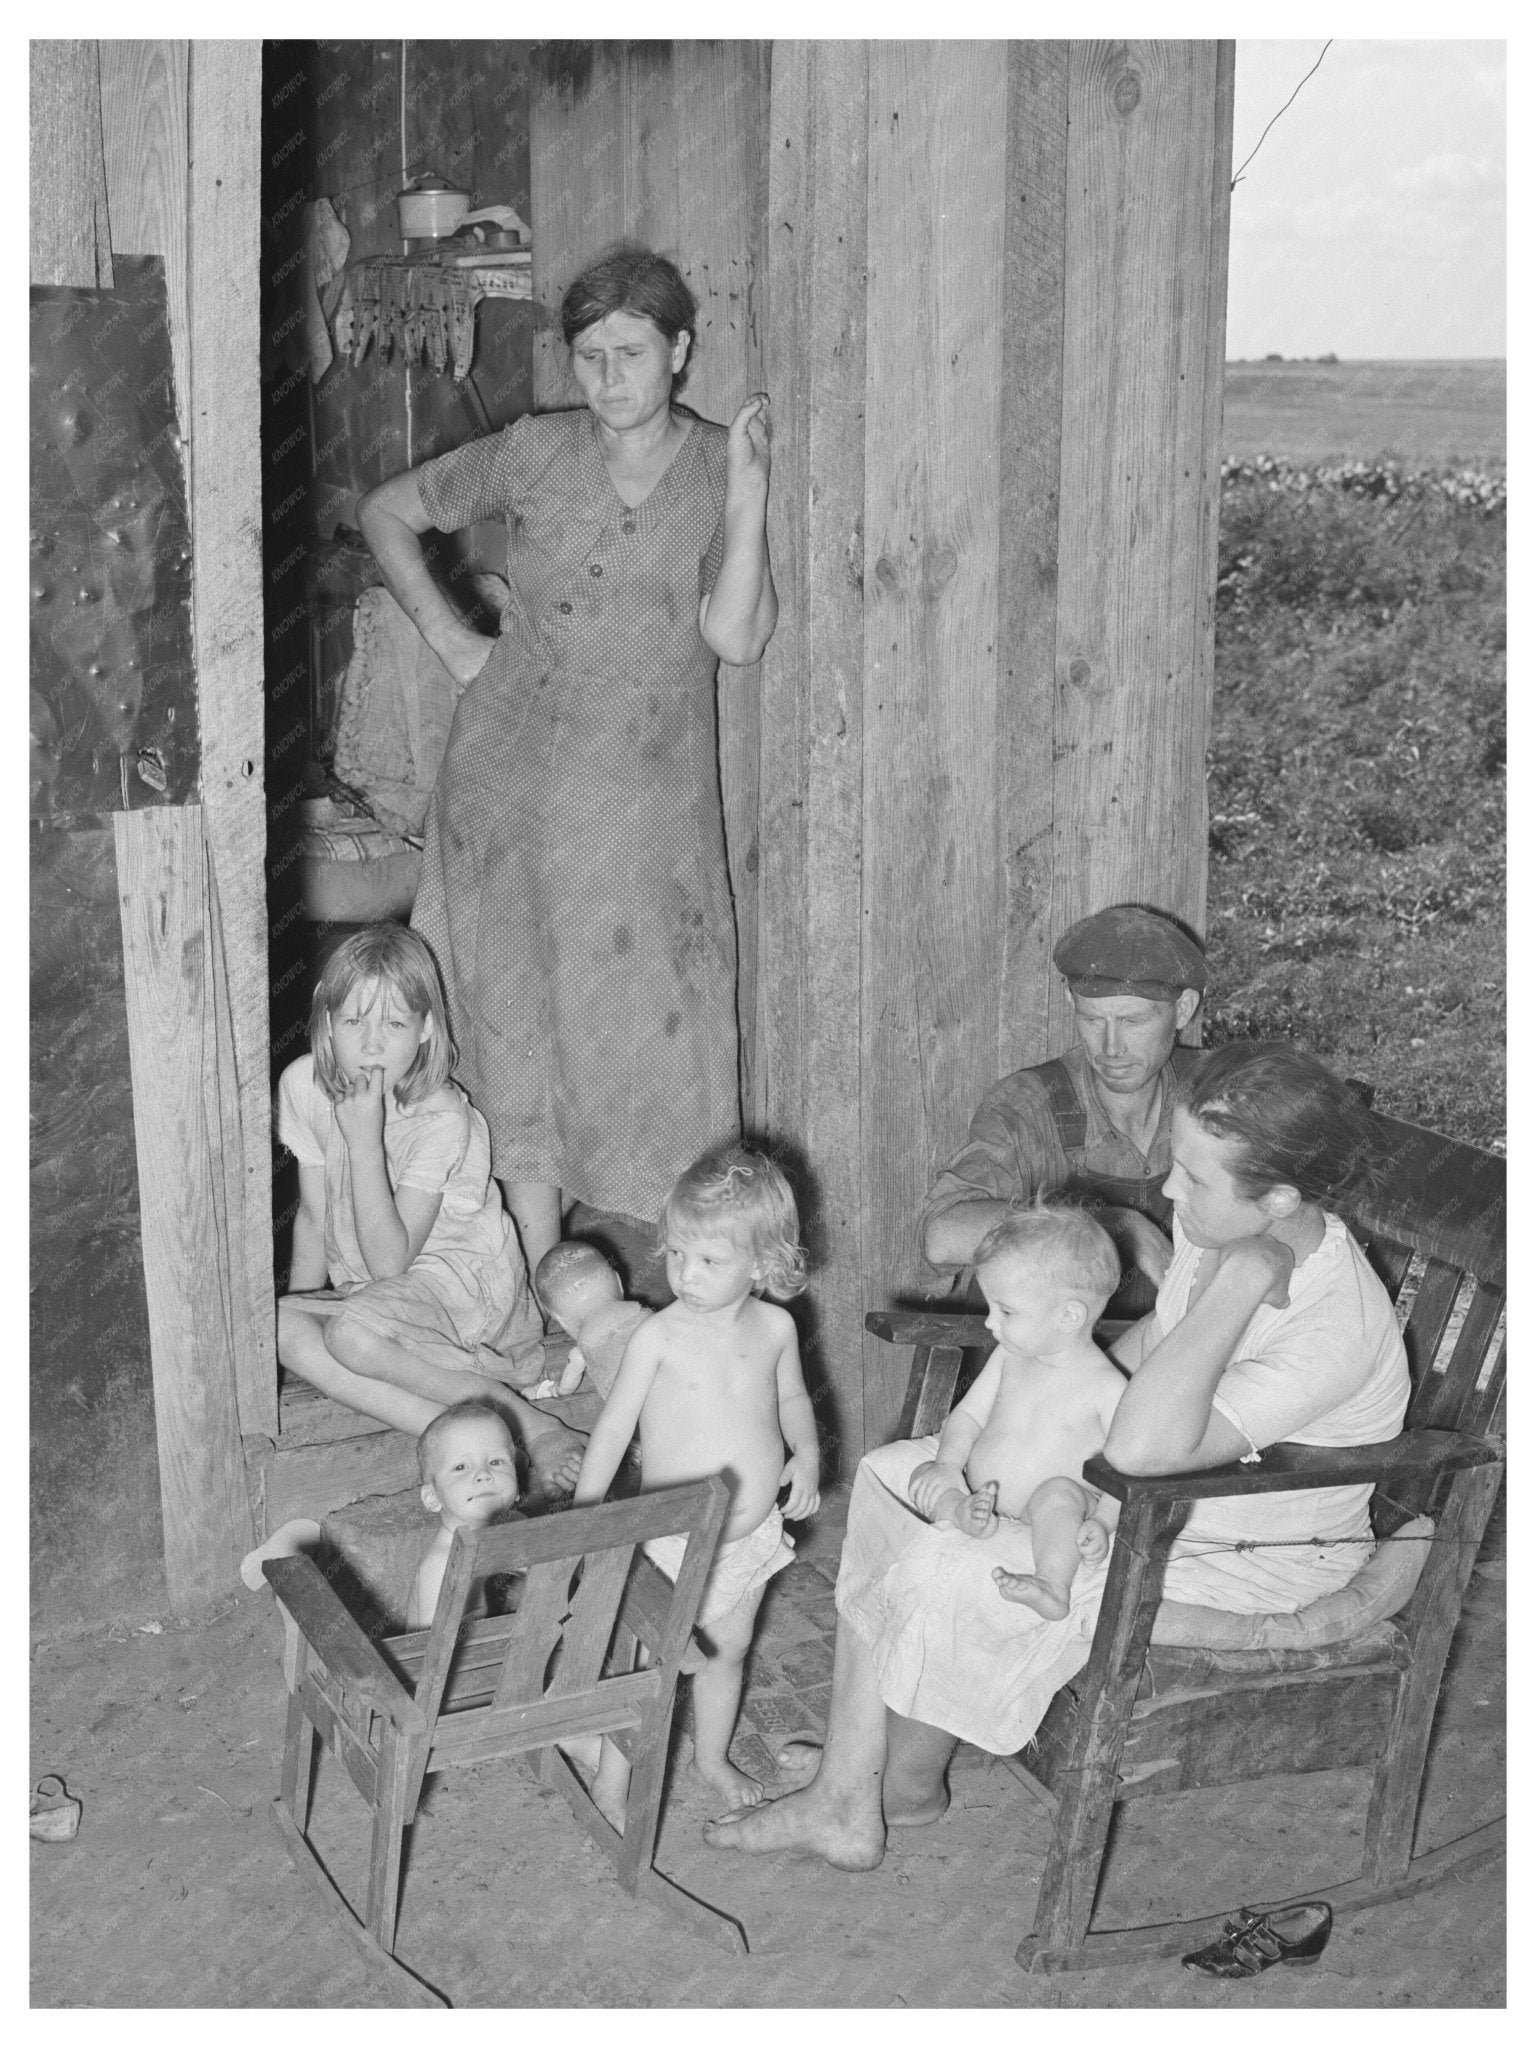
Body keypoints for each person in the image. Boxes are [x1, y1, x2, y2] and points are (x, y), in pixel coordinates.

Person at [705, 1041, 1409, 1871]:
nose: (1170, 1191)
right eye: (1176, 1164)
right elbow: (1152, 1347)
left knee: (956, 1552)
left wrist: (1240, 1278)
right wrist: (1045, 1399)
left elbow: (1148, 1447)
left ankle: (892, 1793)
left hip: (1231, 1551)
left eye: (1194, 1178)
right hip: (1155, 1497)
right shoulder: (1225, 1224)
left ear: (1280, 1198)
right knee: (897, 1477)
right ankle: (852, 1779)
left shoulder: (1330, 1324)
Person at [357, 244, 778, 1282]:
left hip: (642, 805)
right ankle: (533, 1276)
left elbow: (737, 636)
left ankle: (690, 1286)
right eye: (589, 356)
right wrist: (457, 643)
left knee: (658, 1032)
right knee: (511, 1009)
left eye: (630, 353)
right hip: (505, 780)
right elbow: (387, 512)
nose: (607, 379)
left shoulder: (720, 461)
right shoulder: (535, 449)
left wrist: (752, 492)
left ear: (679, 350)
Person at [275, 923, 583, 1495]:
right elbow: (315, 1217)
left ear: (425, 1029)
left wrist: (365, 1140)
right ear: (326, 1023)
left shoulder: (442, 1117)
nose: (370, 1045)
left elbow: (392, 1262)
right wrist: (300, 1324)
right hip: (379, 1294)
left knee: (348, 1339)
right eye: (352, 1021)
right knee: (277, 1326)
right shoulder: (302, 1086)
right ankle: (483, 1440)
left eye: (393, 1024)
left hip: (463, 1295)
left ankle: (528, 1421)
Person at [573, 1143, 820, 1814]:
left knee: (728, 1652)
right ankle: (611, 1779)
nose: (686, 1274)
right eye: (678, 1253)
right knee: (652, 1666)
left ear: (764, 1264)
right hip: (674, 1539)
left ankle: (710, 1758)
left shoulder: (775, 1327)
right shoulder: (658, 1338)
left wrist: (807, 1455)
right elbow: (615, 1430)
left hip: (749, 1534)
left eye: (710, 1261)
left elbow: (793, 1401)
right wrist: (589, 1514)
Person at [920, 904, 1207, 1310]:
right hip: (1041, 1366)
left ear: (1184, 1009)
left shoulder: (1219, 1094)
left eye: (1132, 1022)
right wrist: (1108, 1223)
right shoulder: (1029, 1102)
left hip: (1172, 1360)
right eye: (1092, 1020)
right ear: (1070, 999)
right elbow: (941, 1236)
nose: (1111, 1048)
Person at [905, 1202, 1124, 1622]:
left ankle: (1052, 1584)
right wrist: (948, 1466)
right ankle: (963, 1513)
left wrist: (1105, 1522)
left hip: (1045, 1511)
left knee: (1059, 1497)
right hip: (975, 1489)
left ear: (1069, 1315)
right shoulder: (1009, 1356)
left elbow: (1125, 1468)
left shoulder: (1108, 1387)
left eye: (1005, 1311)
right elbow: (966, 1417)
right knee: (921, 1475)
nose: (990, 1323)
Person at [409, 1400, 522, 1628]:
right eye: (460, 1467)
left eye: (496, 1461)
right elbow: (427, 1653)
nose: (483, 1474)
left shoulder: (520, 1526)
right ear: (433, 1497)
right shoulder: (441, 1565)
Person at [534, 1241, 653, 1399]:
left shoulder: (580, 1353)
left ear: (561, 1321)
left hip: (637, 1411)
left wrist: (555, 1390)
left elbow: (566, 1387)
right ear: (619, 1282)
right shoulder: (649, 1317)